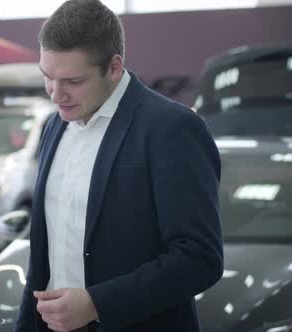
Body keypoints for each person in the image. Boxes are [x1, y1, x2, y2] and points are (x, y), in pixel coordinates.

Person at [14, 1, 223, 331]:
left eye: (73, 81)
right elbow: (44, 260)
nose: (56, 95)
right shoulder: (54, 126)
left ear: (114, 67)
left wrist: (97, 304)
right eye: (47, 78)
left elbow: (200, 258)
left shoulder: (171, 128)